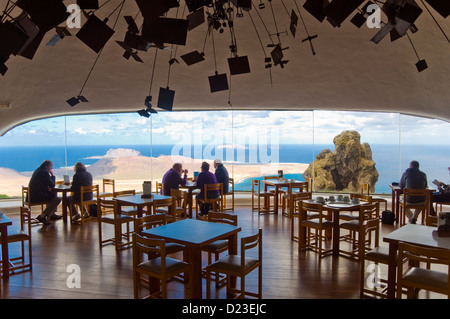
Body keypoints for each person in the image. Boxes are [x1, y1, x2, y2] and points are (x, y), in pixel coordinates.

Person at [28, 160, 61, 225]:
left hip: (32, 195)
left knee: (53, 194)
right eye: (50, 167)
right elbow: (52, 185)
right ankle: (42, 216)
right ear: (46, 166)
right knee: (57, 199)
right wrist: (52, 175)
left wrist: (47, 188)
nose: (51, 168)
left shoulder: (38, 170)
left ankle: (51, 214)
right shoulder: (44, 173)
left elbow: (41, 183)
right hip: (36, 196)